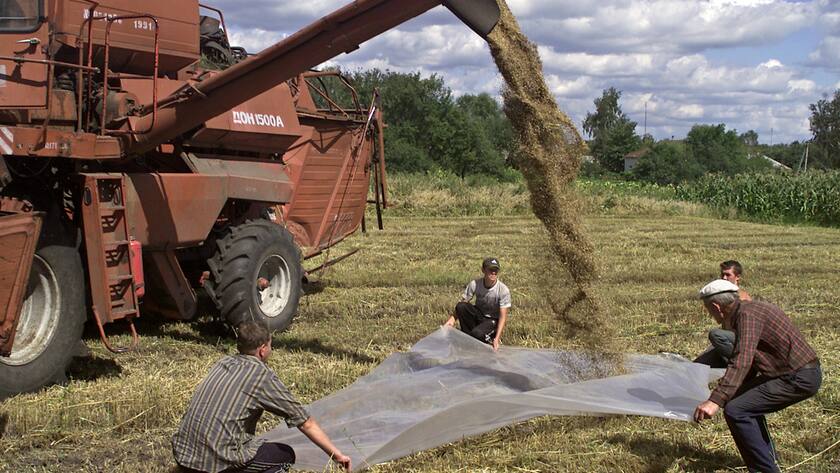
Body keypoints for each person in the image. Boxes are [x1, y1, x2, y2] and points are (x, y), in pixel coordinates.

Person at [172, 321, 351, 473]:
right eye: (271, 346)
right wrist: (337, 455)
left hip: (183, 455)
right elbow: (305, 422)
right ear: (263, 349)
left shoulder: (222, 363)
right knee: (284, 455)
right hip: (214, 463)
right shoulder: (261, 376)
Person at [693, 279, 821, 473]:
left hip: (797, 377)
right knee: (740, 400)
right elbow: (751, 361)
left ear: (717, 307)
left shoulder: (747, 315)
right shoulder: (749, 310)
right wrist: (728, 390)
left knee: (737, 410)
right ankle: (768, 458)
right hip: (793, 373)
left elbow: (742, 359)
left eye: (707, 309)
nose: (709, 314)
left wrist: (715, 400)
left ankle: (765, 469)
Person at [444, 257, 511, 351]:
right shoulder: (474, 284)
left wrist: (497, 338)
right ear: (483, 270)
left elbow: (503, 317)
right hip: (479, 315)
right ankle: (468, 337)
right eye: (490, 270)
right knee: (461, 306)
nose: (493, 273)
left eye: (496, 270)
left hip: (492, 321)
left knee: (477, 334)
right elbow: (463, 302)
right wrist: (452, 319)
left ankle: (483, 337)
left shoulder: (503, 290)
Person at [694, 260, 751, 368]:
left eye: (728, 275)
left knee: (716, 335)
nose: (724, 278)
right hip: (729, 342)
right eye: (722, 274)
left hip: (741, 345)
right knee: (697, 366)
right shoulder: (722, 295)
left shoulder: (742, 299)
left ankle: (737, 367)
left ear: (737, 277)